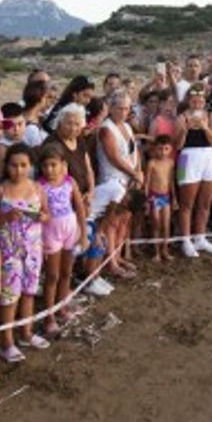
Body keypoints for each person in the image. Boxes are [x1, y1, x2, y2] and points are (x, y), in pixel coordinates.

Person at [0, 143, 50, 363]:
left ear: (31, 166)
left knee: (29, 292)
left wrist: (42, 217)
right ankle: (6, 342)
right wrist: (5, 218)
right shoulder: (0, 190)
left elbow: (46, 213)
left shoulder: (37, 188)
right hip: (8, 252)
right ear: (6, 166)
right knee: (9, 296)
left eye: (24, 165)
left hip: (33, 250)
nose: (19, 170)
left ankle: (26, 332)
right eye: (14, 165)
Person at [37, 144, 85, 335]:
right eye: (45, 166)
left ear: (63, 165)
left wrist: (83, 234)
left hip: (70, 231)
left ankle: (62, 307)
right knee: (52, 276)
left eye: (53, 165)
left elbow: (80, 208)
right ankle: (49, 316)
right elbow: (40, 215)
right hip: (50, 234)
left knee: (67, 273)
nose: (49, 170)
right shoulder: (40, 186)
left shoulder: (70, 182)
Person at [94, 92, 141, 281]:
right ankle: (110, 262)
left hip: (128, 178)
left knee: (124, 221)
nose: (123, 111)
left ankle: (118, 256)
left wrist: (138, 172)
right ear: (111, 108)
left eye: (127, 108)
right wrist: (134, 173)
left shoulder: (127, 127)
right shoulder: (106, 129)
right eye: (119, 108)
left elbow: (134, 153)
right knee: (112, 222)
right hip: (113, 179)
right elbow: (113, 157)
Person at [175, 85, 212, 257]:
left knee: (205, 202)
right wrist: (185, 129)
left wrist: (204, 126)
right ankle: (186, 240)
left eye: (200, 99)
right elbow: (177, 145)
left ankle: (200, 237)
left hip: (208, 156)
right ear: (189, 100)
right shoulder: (182, 117)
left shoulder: (211, 116)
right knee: (186, 203)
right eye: (194, 99)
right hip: (187, 156)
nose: (197, 102)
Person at [144, 135, 177, 261]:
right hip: (154, 196)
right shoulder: (152, 163)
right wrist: (146, 199)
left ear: (171, 149)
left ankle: (165, 250)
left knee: (166, 223)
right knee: (156, 222)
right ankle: (156, 251)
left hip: (166, 196)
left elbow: (171, 181)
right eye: (160, 149)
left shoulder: (171, 163)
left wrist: (174, 198)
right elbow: (146, 183)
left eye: (166, 149)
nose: (163, 152)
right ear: (155, 149)